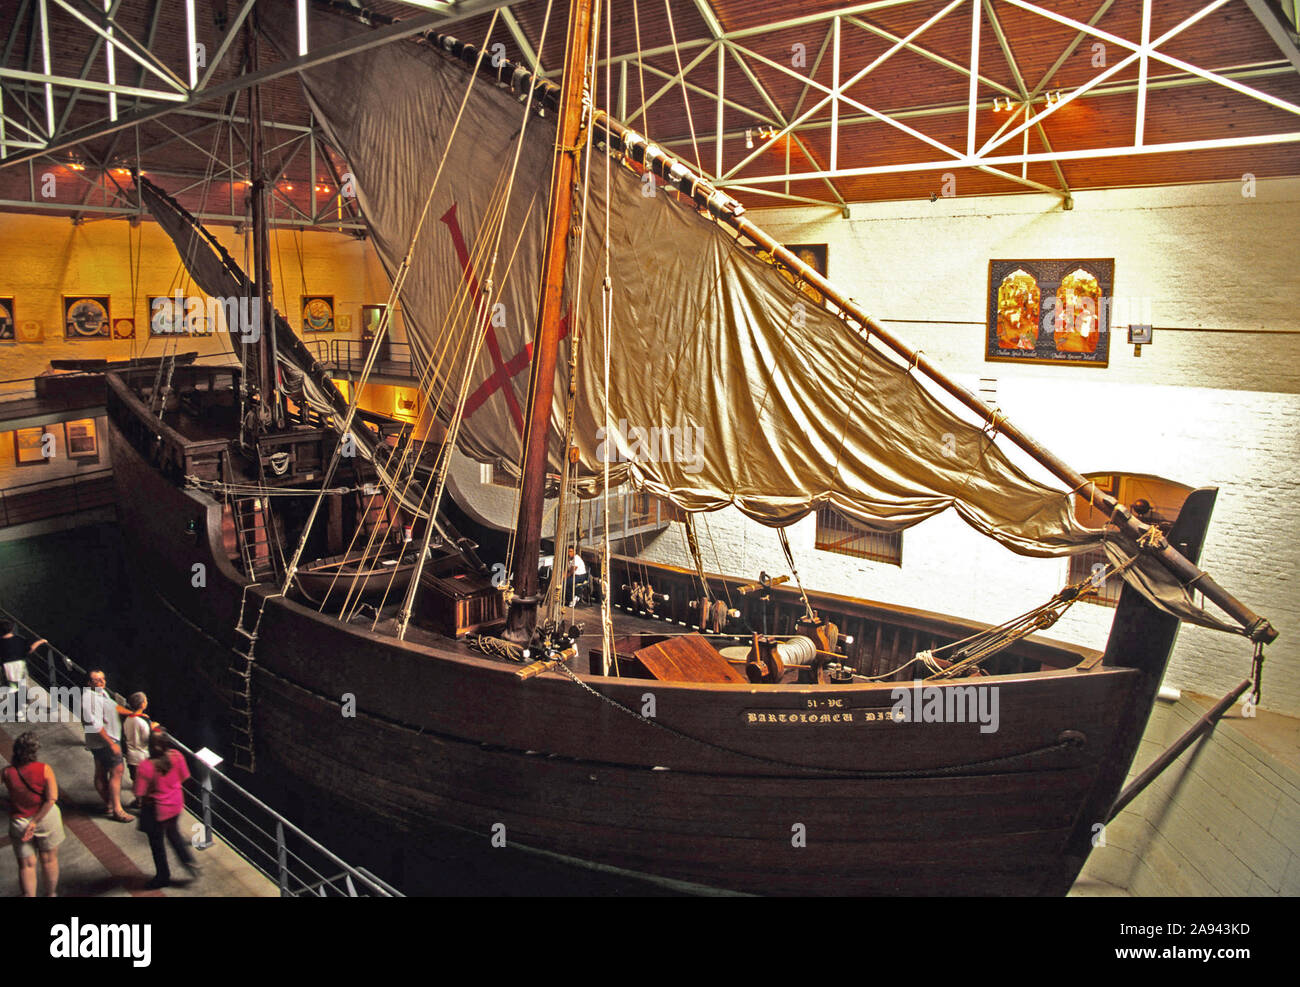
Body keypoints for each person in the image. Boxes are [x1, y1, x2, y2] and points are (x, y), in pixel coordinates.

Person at [134, 731, 199, 889]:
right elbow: (184, 777)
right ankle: (188, 860)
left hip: (156, 809)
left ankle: (163, 876)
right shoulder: (177, 756)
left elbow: (138, 792)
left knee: (157, 843)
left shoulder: (146, 767)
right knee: (173, 832)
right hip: (176, 803)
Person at [2, 731, 64, 896]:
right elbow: (51, 799)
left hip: (19, 821)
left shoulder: (7, 772)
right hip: (46, 818)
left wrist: (8, 805)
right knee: (49, 860)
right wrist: (35, 822)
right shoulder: (44, 769)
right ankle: (50, 894)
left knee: (26, 865)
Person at [82, 669, 131, 822]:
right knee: (117, 772)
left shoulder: (100, 693)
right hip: (105, 741)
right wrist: (111, 744)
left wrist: (133, 713)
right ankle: (117, 809)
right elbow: (95, 725)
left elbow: (113, 707)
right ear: (89, 683)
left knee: (101, 770)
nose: (102, 682)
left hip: (102, 741)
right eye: (97, 680)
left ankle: (109, 804)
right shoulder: (88, 700)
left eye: (103, 678)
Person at [122, 692, 152, 808]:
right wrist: (152, 728)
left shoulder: (128, 720)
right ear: (142, 704)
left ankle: (138, 800)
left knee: (136, 781)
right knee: (145, 782)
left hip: (131, 756)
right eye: (146, 701)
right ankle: (145, 803)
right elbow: (146, 739)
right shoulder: (142, 722)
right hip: (142, 756)